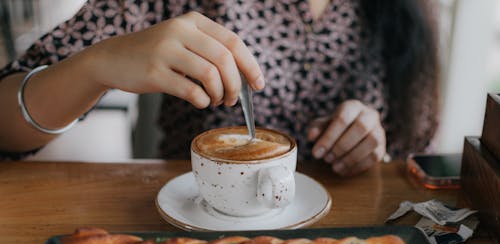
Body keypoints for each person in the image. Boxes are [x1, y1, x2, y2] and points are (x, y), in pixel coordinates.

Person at [0, 0, 439, 176]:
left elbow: (412, 149)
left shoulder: (406, 9)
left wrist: (372, 144)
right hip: (199, 238)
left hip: (345, 241)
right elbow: (6, 129)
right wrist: (94, 66)